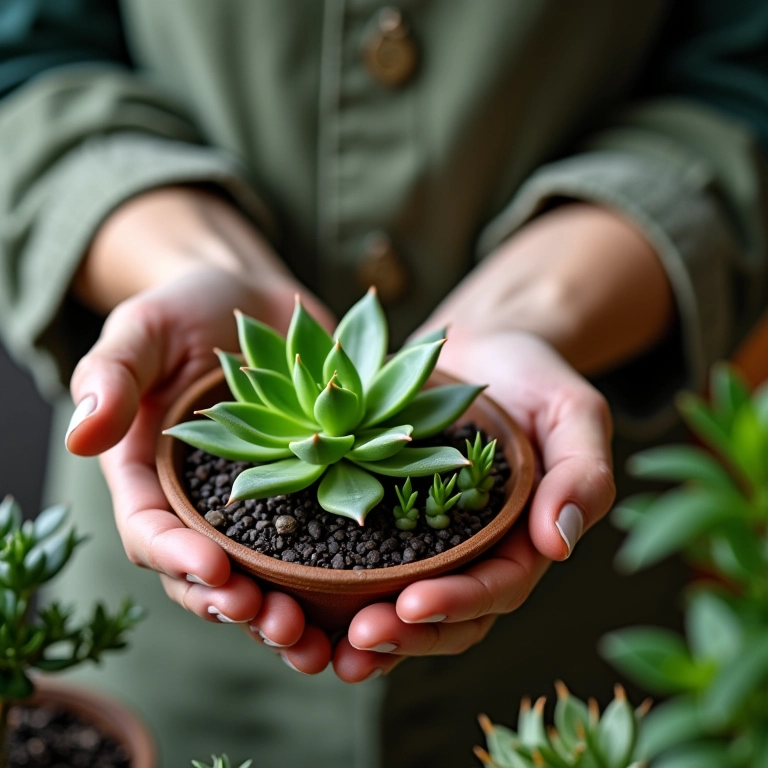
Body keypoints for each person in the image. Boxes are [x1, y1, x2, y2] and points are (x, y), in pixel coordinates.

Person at [1, 1, 767, 765]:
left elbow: (740, 76)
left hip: (562, 637)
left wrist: (542, 307)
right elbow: (32, 53)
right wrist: (181, 256)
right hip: (170, 669)